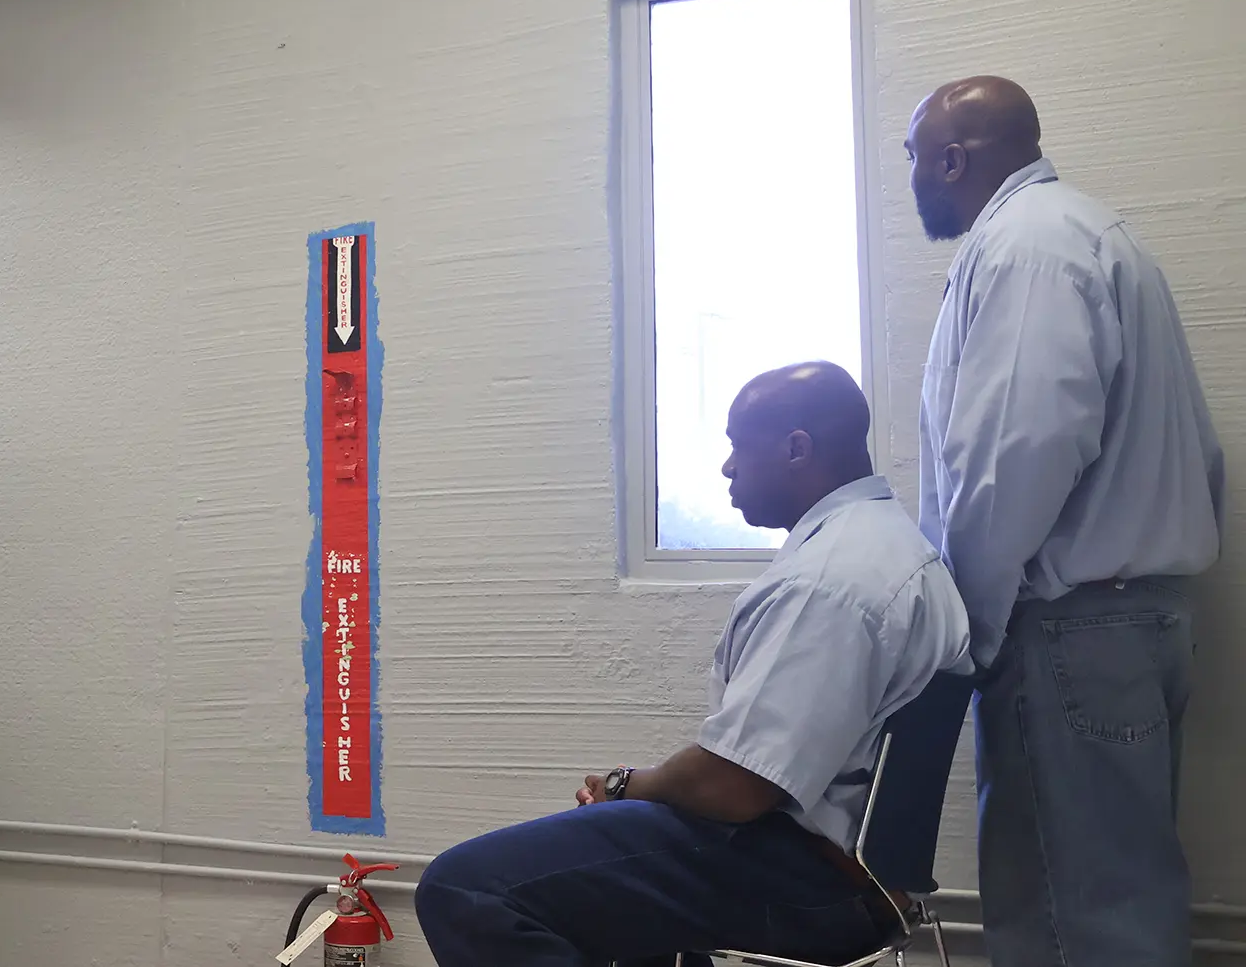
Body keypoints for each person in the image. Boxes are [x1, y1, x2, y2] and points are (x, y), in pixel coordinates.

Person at [417, 363, 969, 967]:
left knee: (466, 888)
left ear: (796, 448)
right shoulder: (891, 545)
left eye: (737, 445)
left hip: (812, 883)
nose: (728, 466)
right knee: (603, 892)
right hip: (851, 874)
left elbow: (736, 786)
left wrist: (628, 784)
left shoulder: (831, 581)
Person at [907, 76, 1225, 967]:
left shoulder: (1025, 249)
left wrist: (963, 633)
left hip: (1066, 632)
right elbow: (1197, 456)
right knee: (1118, 907)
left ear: (952, 159)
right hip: (1137, 620)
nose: (912, 178)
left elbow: (1019, 453)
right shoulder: (1096, 234)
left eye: (913, 159)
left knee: (1069, 925)